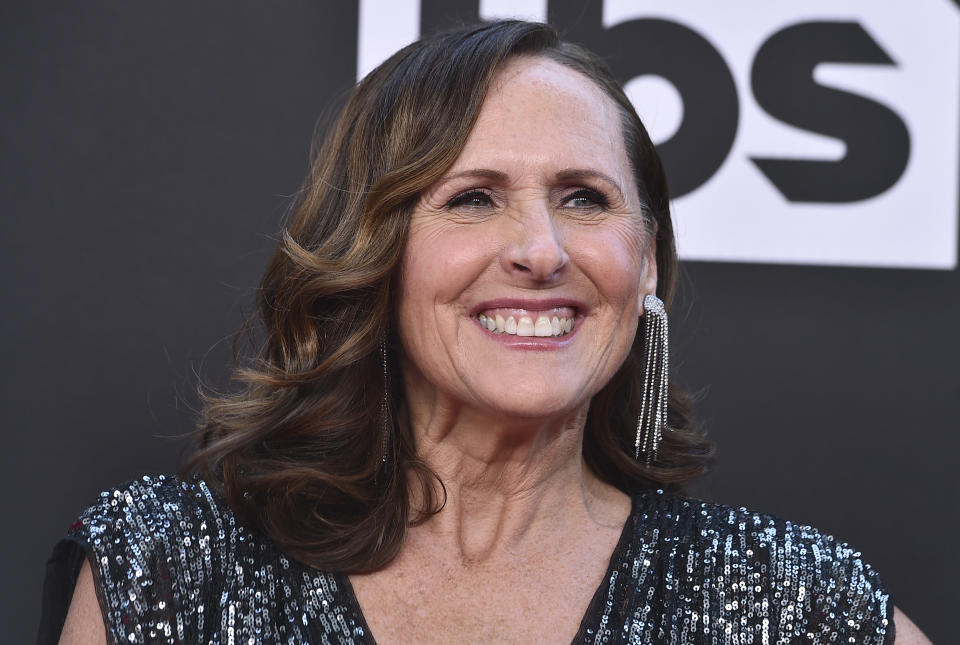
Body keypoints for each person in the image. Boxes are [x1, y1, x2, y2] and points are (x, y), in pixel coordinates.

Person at [41, 20, 929, 644]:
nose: (540, 251)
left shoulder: (790, 602)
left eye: (585, 197)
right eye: (473, 198)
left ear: (648, 259)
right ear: (374, 251)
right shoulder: (170, 573)